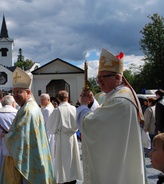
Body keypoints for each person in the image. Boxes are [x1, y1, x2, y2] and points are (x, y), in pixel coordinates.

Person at [76, 48, 145, 184]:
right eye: (98, 78)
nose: (99, 81)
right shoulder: (119, 95)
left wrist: (83, 106)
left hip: (117, 163)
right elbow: (103, 114)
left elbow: (92, 125)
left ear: (118, 77)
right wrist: (91, 104)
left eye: (103, 77)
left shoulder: (119, 100)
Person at [1, 67, 54, 183]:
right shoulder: (30, 106)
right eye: (13, 92)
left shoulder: (28, 110)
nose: (15, 95)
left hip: (30, 160)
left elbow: (21, 136)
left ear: (28, 92)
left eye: (19, 92)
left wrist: (6, 137)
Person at [46, 90, 83, 184]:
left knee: (63, 160)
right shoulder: (74, 109)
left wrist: (55, 131)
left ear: (58, 99)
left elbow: (50, 126)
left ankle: (65, 179)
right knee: (72, 160)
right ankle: (73, 178)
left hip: (62, 137)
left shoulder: (58, 110)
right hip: (72, 136)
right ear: (67, 98)